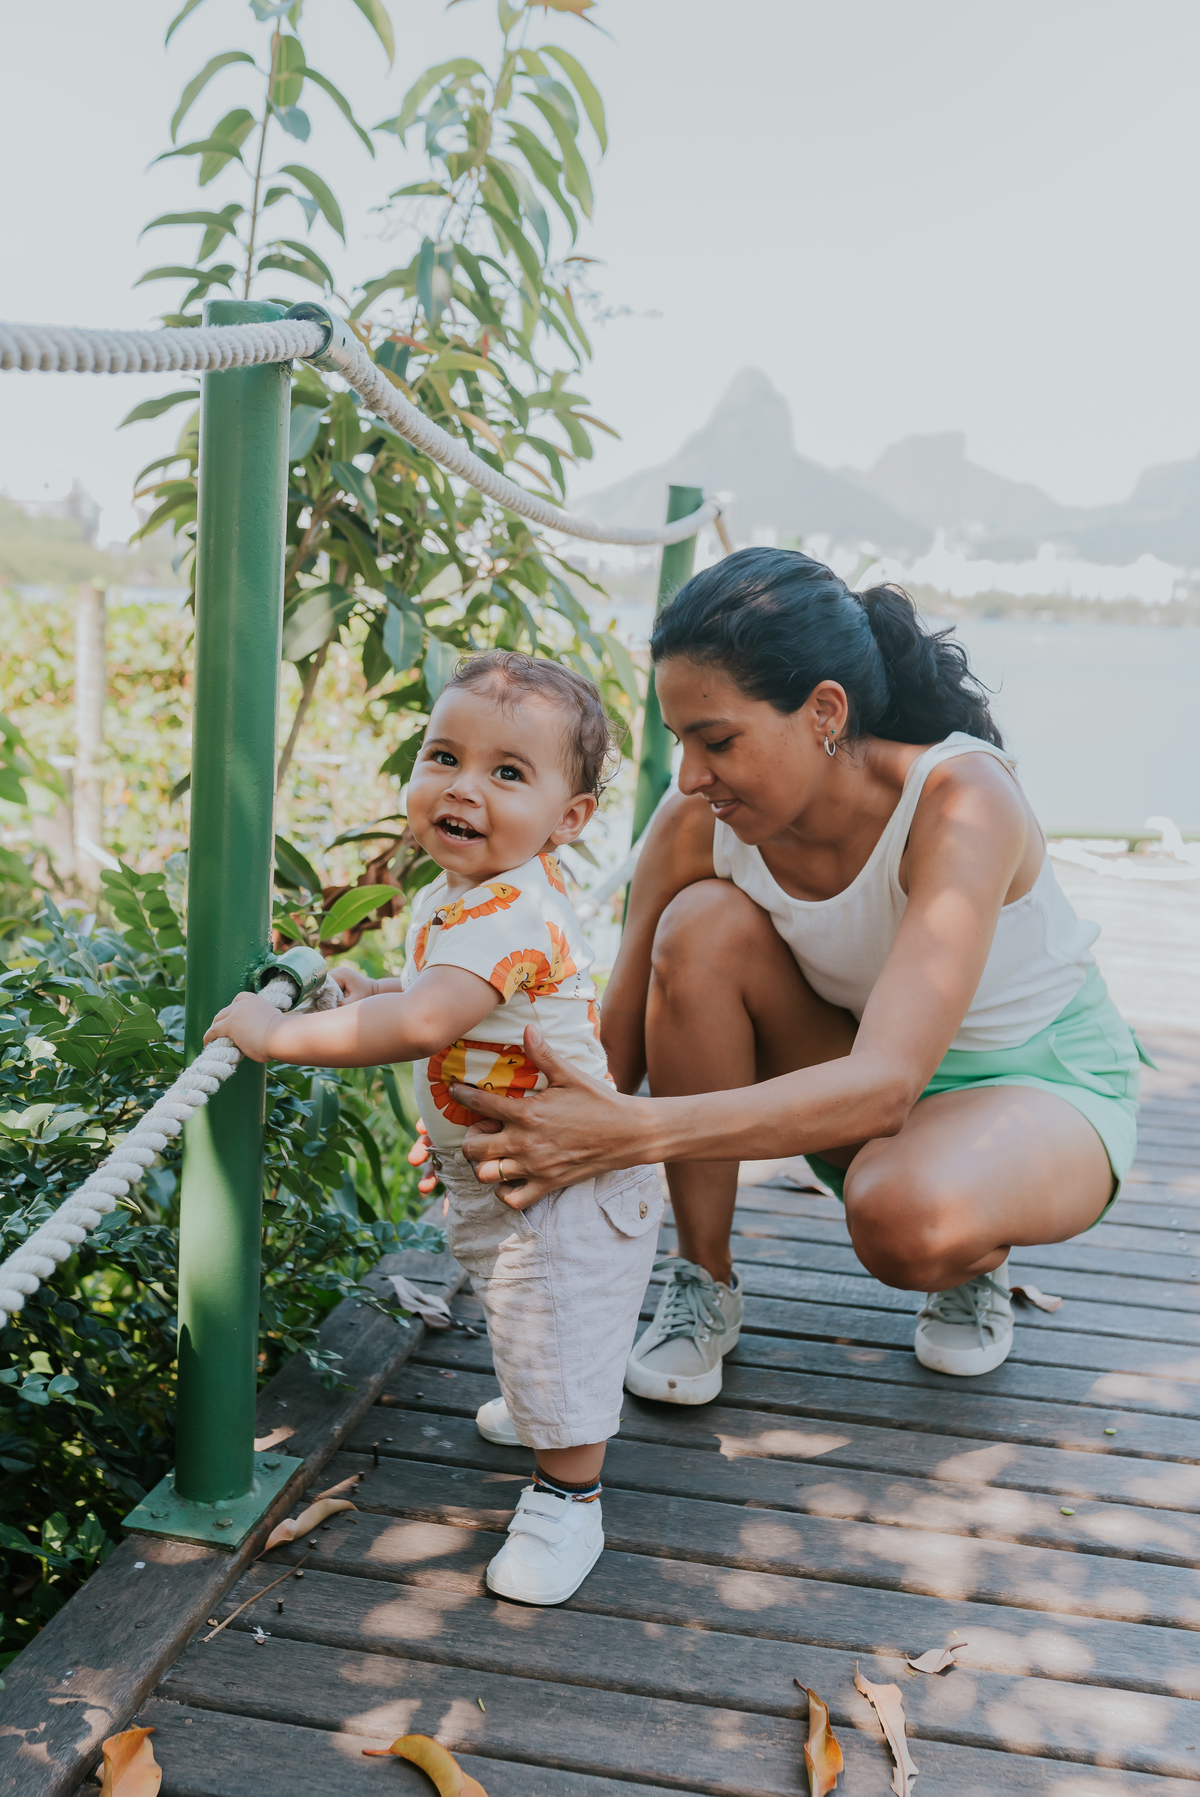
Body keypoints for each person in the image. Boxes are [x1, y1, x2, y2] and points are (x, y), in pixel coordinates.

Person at [449, 550, 1148, 1402]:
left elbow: (887, 1086)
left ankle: (973, 1245)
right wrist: (487, 1120)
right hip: (848, 1058)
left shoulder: (962, 800)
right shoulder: (696, 824)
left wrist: (628, 1131)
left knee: (900, 1217)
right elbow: (612, 1043)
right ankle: (703, 1278)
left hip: (1035, 1081)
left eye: (719, 740)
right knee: (697, 927)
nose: (690, 776)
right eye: (679, 740)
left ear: (824, 711)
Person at [205, 651, 663, 1605]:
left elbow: (422, 1025)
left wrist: (278, 1034)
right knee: (525, 1308)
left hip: (564, 1178)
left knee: (558, 1321)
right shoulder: (456, 898)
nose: (462, 786)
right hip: (504, 1170)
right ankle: (547, 1406)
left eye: (507, 772)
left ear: (569, 820)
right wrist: (373, 987)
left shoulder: (513, 909)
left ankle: (569, 1496)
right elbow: (426, 998)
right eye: (442, 755)